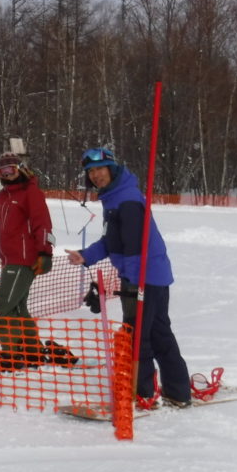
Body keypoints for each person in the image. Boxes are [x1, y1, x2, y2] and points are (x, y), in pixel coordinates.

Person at [66, 147, 191, 407]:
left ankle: (142, 393)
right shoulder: (114, 198)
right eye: (91, 171)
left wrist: (134, 284)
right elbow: (111, 241)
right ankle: (177, 391)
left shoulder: (128, 200)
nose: (96, 175)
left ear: (112, 169)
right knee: (158, 333)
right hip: (150, 275)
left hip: (144, 276)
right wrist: (86, 255)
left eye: (100, 169)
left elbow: (134, 248)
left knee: (136, 335)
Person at [0, 152, 76, 371]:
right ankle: (32, 351)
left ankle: (11, 354)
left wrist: (45, 253)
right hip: (10, 261)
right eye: (2, 172)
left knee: (4, 305)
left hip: (23, 260)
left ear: (21, 169)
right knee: (18, 308)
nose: (6, 175)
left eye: (10, 170)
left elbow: (42, 223)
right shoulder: (4, 196)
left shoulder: (30, 193)